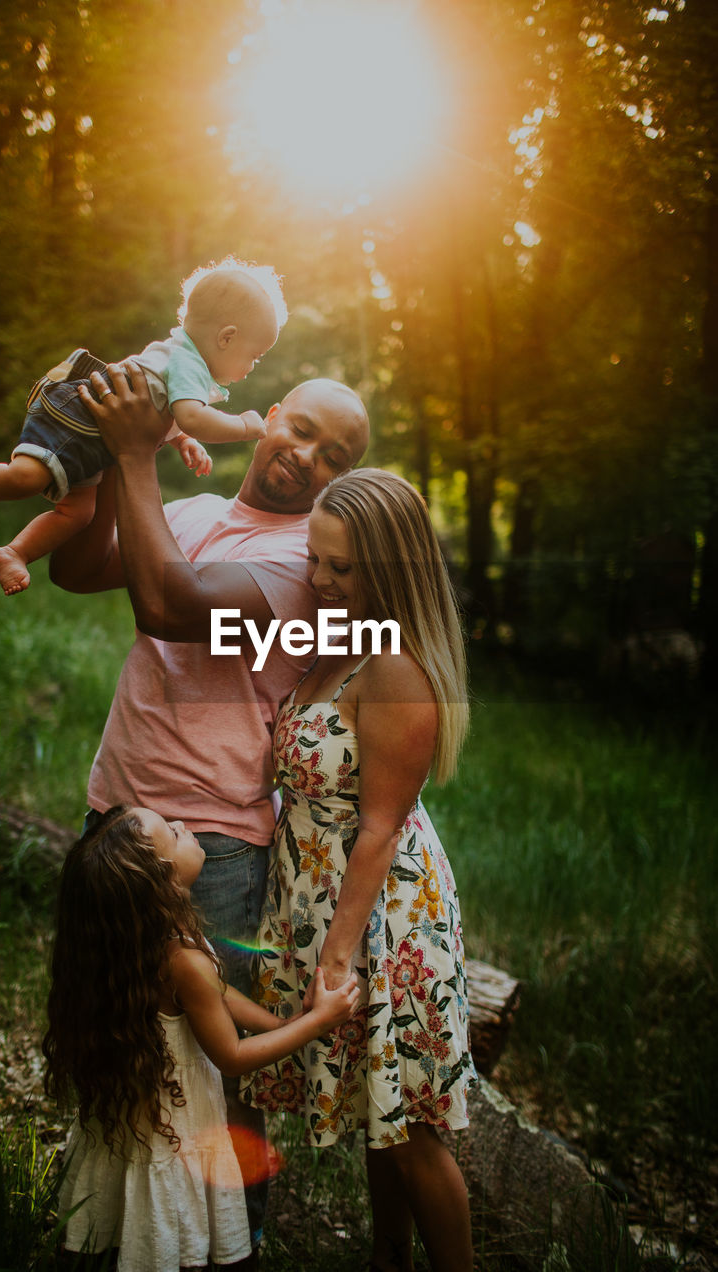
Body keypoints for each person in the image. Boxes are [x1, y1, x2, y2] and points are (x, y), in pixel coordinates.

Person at [48, 361, 370, 1247]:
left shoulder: (302, 569)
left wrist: (137, 453)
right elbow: (76, 570)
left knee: (213, 1064)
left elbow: (165, 603)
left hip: (215, 844)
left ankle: (236, 1237)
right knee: (114, 1030)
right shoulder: (187, 514)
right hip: (117, 814)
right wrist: (109, 457)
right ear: (265, 419)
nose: (307, 457)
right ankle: (122, 1219)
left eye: (333, 456)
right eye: (300, 429)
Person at [239, 468, 477, 1272]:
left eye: (341, 568)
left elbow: (378, 825)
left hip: (381, 915)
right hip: (323, 894)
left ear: (391, 567)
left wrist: (336, 955)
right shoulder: (344, 638)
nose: (320, 579)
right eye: (317, 559)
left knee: (409, 1129)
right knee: (383, 1117)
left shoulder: (396, 667)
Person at [43, 803, 360, 1272]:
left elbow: (220, 992)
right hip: (177, 1126)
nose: (181, 824)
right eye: (173, 832)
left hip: (137, 1116)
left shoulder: (141, 940)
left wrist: (281, 1025)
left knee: (119, 1214)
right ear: (167, 879)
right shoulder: (183, 962)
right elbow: (230, 1056)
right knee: (167, 1227)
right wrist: (316, 1025)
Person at [0, 258, 285, 595]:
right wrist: (243, 425)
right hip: (75, 416)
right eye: (254, 356)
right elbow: (190, 414)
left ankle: (15, 551)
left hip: (95, 440)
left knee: (79, 514)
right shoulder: (190, 364)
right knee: (26, 476)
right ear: (227, 337)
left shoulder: (184, 361)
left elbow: (165, 411)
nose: (252, 367)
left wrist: (181, 440)